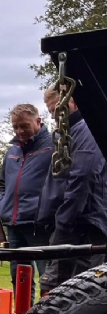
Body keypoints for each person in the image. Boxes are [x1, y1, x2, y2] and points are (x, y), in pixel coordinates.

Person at [37, 87, 107, 294]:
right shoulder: (69, 133)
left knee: (60, 286)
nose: (55, 116)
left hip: (82, 223)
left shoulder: (87, 129)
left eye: (59, 110)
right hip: (75, 220)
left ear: (74, 103)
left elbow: (84, 175)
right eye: (52, 112)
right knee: (71, 287)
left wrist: (64, 221)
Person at [0, 103, 53, 301]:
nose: (20, 131)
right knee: (19, 276)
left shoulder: (53, 146)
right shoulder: (12, 152)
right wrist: (1, 206)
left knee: (48, 277)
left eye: (24, 126)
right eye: (16, 127)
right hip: (13, 223)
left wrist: (46, 210)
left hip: (40, 224)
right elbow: (3, 184)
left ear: (38, 121)